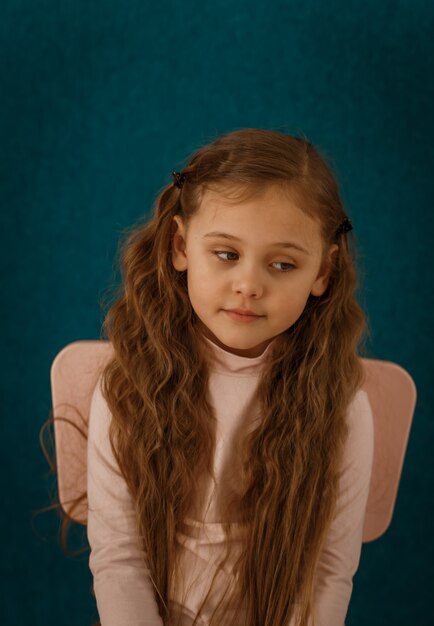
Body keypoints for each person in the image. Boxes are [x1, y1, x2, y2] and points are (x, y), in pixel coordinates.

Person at [86, 128, 374, 626]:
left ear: (322, 274)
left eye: (282, 264)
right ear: (180, 245)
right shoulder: (128, 385)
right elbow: (120, 562)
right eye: (226, 254)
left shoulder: (342, 405)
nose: (248, 285)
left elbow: (326, 573)